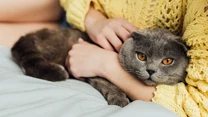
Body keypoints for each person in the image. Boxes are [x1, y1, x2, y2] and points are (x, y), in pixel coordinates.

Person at [61, 0, 208, 117]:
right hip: (76, 28)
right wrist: (93, 20)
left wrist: (106, 65)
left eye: (167, 61)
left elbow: (199, 108)